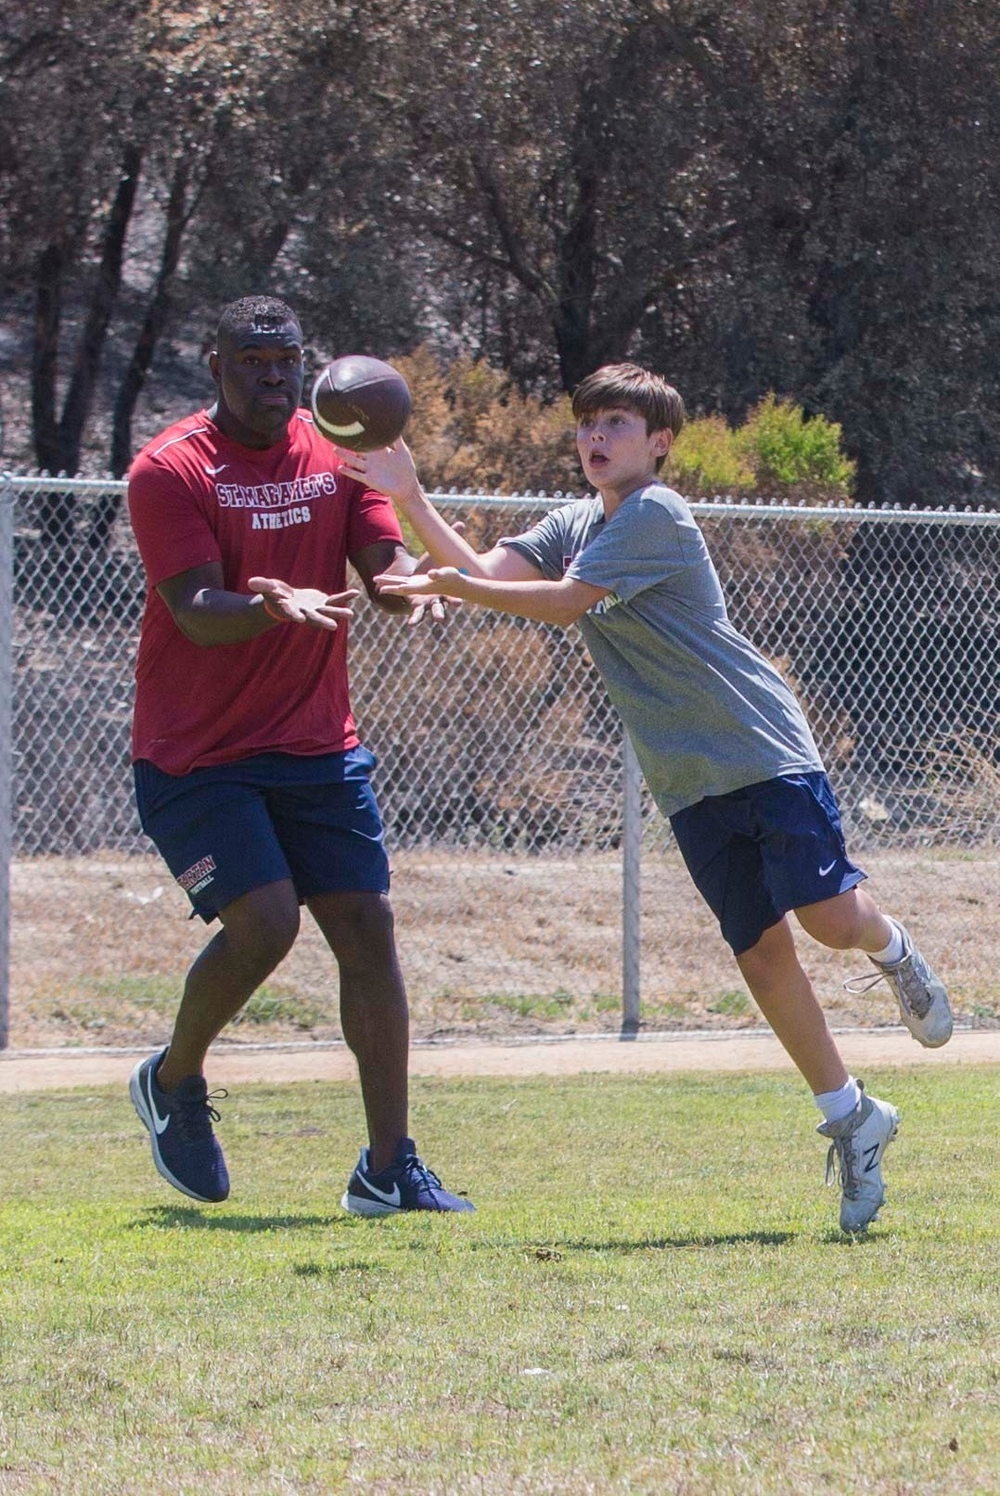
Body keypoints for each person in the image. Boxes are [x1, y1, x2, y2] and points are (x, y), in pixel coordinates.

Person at [345, 361, 952, 1234]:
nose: (596, 438)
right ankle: (853, 1117)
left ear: (659, 444)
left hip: (760, 749)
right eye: (589, 424)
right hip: (687, 780)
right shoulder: (574, 522)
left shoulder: (658, 515)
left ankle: (892, 949)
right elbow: (488, 566)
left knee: (826, 918)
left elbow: (558, 605)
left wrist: (453, 586)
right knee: (760, 952)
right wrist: (409, 496)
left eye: (618, 425)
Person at [125, 294, 473, 1216]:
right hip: (197, 755)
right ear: (217, 365)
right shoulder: (171, 469)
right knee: (268, 922)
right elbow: (197, 612)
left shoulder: (336, 451)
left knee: (367, 929)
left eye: (286, 359)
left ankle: (389, 1168)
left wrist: (413, 587)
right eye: (253, 360)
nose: (274, 376)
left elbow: (382, 564)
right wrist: (269, 605)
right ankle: (174, 1081)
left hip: (318, 743)